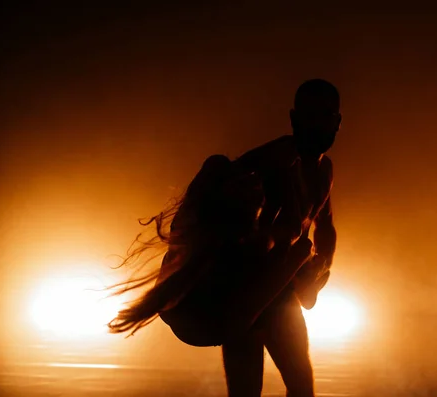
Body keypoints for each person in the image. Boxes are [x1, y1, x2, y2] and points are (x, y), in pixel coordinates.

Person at [108, 79, 340, 397]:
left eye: (325, 115)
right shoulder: (272, 161)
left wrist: (320, 270)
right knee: (248, 391)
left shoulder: (324, 171)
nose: (317, 125)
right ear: (294, 118)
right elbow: (224, 194)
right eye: (309, 115)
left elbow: (325, 225)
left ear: (336, 122)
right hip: (245, 286)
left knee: (301, 385)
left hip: (279, 287)